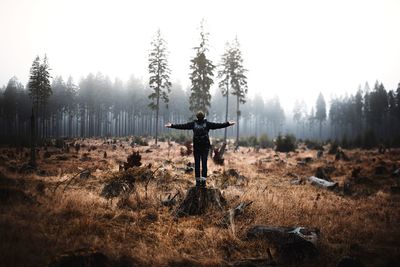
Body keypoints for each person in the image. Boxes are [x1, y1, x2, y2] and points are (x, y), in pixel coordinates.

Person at [165, 111, 235, 187]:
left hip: (197, 147)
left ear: (197, 117)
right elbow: (218, 125)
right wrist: (228, 123)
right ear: (204, 117)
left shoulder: (193, 124)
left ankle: (198, 182)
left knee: (197, 165)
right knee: (204, 164)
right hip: (205, 148)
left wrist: (172, 125)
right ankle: (204, 182)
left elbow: (182, 126)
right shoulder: (207, 124)